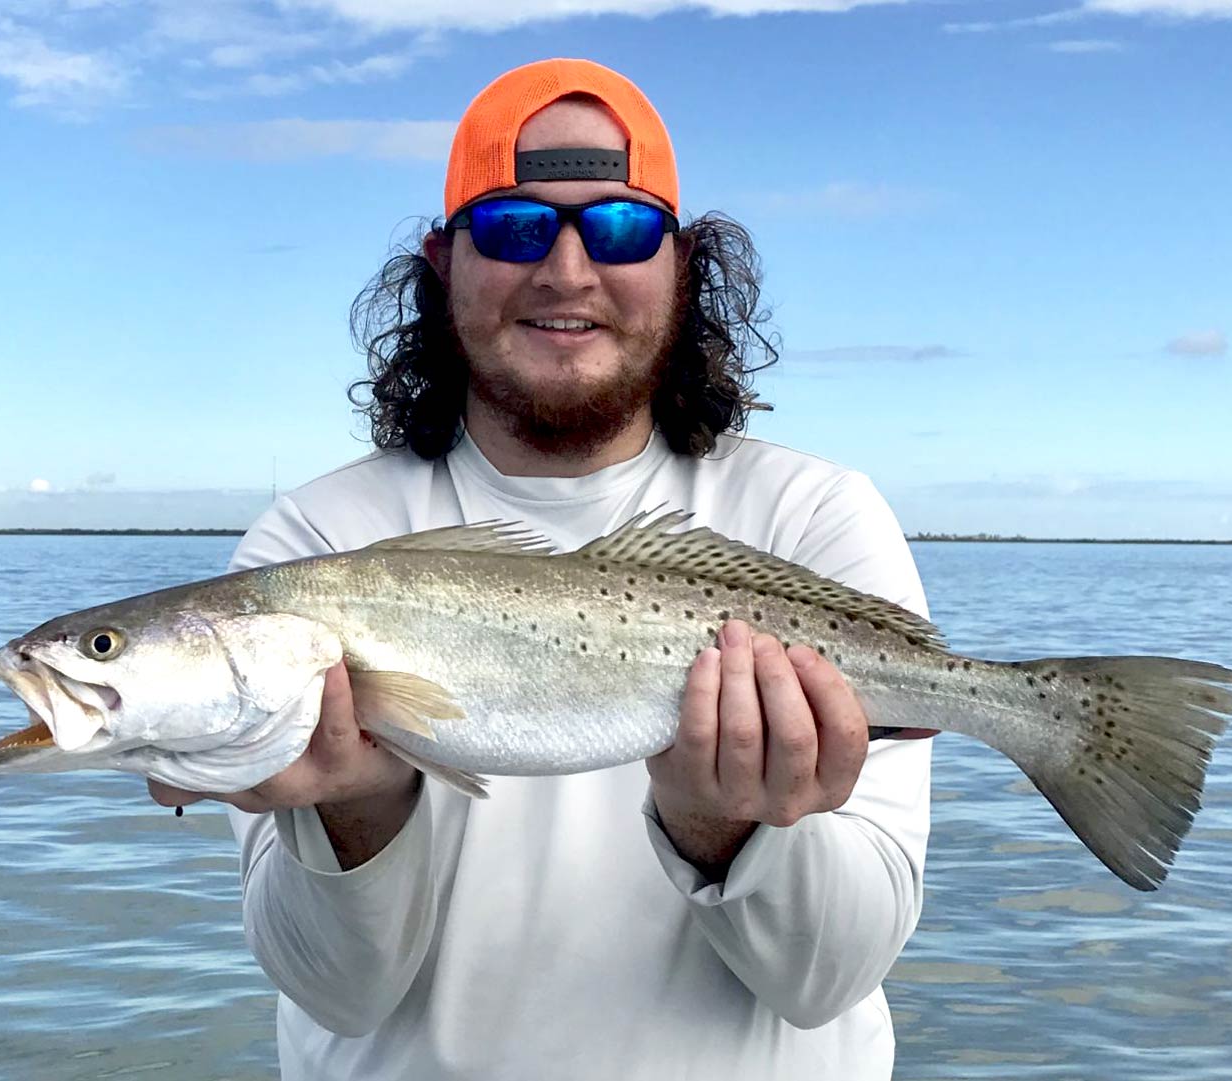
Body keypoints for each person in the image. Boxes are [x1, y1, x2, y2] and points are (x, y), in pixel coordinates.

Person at [150, 58, 935, 1081]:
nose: (568, 271)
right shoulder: (315, 536)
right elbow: (335, 993)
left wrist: (722, 828)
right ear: (443, 262)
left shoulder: (817, 515)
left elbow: (828, 979)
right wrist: (356, 811)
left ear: (682, 264)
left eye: (619, 231)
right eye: (517, 227)